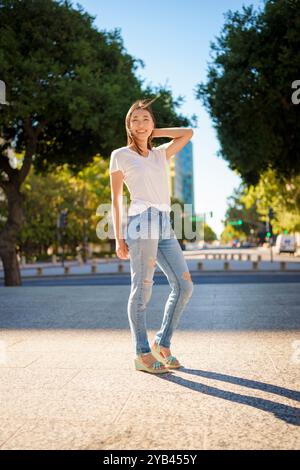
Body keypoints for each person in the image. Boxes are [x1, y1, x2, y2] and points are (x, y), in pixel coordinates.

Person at [109, 98, 194, 374]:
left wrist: (152, 133)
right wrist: (118, 237)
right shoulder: (120, 155)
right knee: (143, 289)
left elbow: (188, 133)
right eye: (135, 120)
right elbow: (116, 198)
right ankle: (141, 353)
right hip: (140, 222)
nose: (141, 123)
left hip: (164, 223)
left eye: (146, 118)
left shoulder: (160, 154)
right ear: (128, 126)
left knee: (184, 286)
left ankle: (162, 344)